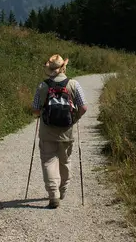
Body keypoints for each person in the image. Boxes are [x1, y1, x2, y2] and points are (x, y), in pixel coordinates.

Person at [31, 54, 88, 209]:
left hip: (47, 131)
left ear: (49, 69)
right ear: (64, 67)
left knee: (49, 161)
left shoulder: (42, 86)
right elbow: (83, 107)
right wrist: (74, 118)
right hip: (67, 131)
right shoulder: (74, 84)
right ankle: (63, 190)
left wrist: (40, 114)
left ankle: (53, 194)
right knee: (65, 161)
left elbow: (35, 109)